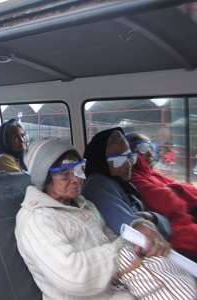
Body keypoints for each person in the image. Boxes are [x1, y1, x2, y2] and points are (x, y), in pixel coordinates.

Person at [14, 140, 196, 300]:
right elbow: (75, 276)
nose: (76, 178)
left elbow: (110, 237)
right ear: (44, 177)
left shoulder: (84, 205)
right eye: (65, 173)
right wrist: (124, 246)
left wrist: (142, 231)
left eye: (79, 169)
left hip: (118, 290)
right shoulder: (36, 219)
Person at [82, 127, 171, 246]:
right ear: (101, 159)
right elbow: (135, 232)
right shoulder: (97, 186)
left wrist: (151, 217)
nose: (128, 164)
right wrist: (153, 219)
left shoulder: (124, 184)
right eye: (119, 159)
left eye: (130, 156)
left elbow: (158, 220)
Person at [126, 132, 197, 261]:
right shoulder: (135, 177)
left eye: (151, 147)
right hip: (178, 234)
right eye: (142, 148)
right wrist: (182, 195)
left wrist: (177, 188)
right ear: (131, 152)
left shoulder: (154, 174)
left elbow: (193, 191)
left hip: (188, 223)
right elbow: (171, 205)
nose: (149, 152)